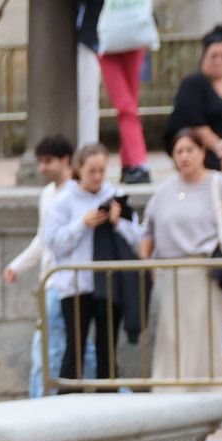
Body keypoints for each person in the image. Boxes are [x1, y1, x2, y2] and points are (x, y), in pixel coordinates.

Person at [139, 129, 222, 399]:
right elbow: (149, 228)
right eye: (179, 152)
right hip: (171, 273)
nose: (184, 157)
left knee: (205, 332)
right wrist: (146, 261)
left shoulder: (220, 184)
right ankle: (171, 388)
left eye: (190, 150)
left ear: (202, 152)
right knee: (172, 335)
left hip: (205, 271)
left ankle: (214, 389)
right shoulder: (166, 190)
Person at [43, 143, 144, 388]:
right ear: (79, 168)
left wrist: (118, 222)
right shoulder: (63, 201)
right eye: (92, 171)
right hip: (75, 286)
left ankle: (107, 404)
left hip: (109, 283)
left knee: (106, 349)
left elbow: (139, 239)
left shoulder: (115, 196)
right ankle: (67, 403)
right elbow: (53, 243)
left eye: (102, 170)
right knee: (74, 347)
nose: (98, 177)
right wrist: (82, 224)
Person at [5, 134, 93, 396]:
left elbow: (62, 241)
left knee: (47, 352)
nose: (42, 168)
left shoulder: (75, 195)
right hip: (52, 281)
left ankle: (40, 407)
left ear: (65, 160)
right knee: (81, 350)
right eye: (40, 162)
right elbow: (43, 239)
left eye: (48, 161)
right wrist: (18, 265)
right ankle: (123, 397)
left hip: (66, 282)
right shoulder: (47, 195)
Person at [76, 0, 153, 185]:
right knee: (125, 105)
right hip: (103, 37)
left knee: (130, 104)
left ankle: (130, 163)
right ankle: (137, 162)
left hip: (133, 31)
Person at [165, 25, 222, 170]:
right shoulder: (193, 84)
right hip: (211, 154)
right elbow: (197, 126)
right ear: (204, 57)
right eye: (214, 56)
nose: (218, 61)